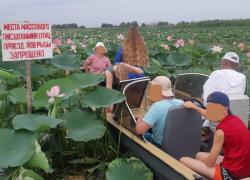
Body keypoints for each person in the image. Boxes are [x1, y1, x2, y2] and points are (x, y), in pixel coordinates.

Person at [180, 92, 250, 180]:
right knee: (199, 155)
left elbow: (210, 163)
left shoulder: (221, 131)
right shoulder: (234, 118)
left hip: (233, 174)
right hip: (244, 168)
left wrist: (205, 160)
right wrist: (194, 107)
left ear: (225, 109)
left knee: (183, 160)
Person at [201, 52, 246, 141]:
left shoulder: (217, 74)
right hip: (237, 113)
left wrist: (205, 98)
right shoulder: (242, 77)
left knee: (206, 105)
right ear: (237, 66)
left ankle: (208, 134)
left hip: (219, 114)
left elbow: (207, 96)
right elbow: (240, 93)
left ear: (223, 62)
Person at [135, 76, 183, 148]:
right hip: (177, 144)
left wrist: (140, 116)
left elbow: (140, 130)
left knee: (140, 133)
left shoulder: (157, 106)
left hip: (160, 146)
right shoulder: (180, 102)